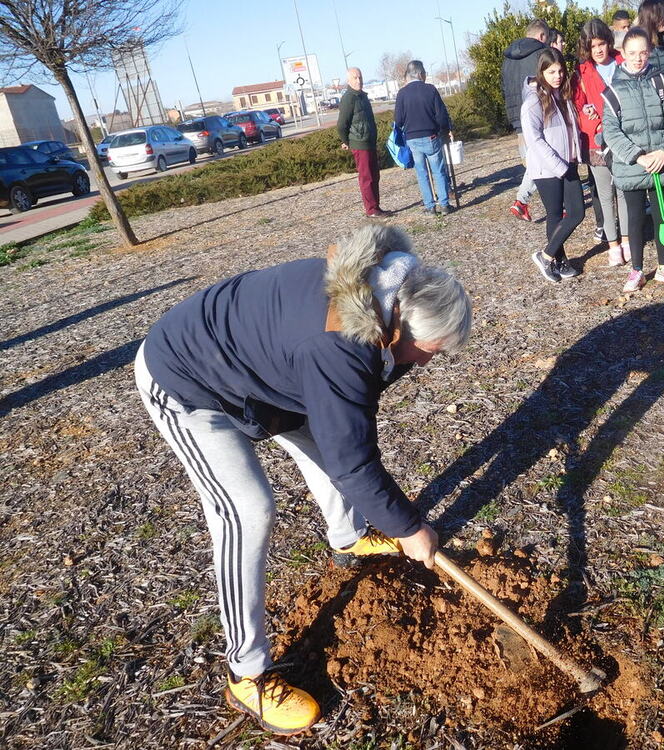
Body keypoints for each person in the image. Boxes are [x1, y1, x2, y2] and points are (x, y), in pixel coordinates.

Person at [134, 224, 472, 735]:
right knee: (247, 511)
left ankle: (349, 537)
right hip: (187, 380)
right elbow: (354, 460)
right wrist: (409, 526)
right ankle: (245, 673)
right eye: (428, 350)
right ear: (400, 321)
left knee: (328, 441)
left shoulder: (377, 294)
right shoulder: (337, 342)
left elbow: (346, 432)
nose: (427, 362)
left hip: (264, 372)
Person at [602, 27, 664, 292]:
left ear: (649, 52)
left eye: (643, 53)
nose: (638, 58)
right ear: (622, 54)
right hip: (633, 166)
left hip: (660, 162)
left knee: (662, 215)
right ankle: (637, 269)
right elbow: (611, 131)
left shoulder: (661, 82)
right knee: (635, 218)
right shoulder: (612, 90)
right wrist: (637, 157)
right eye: (632, 53)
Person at [522, 48, 586, 282]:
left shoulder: (563, 95)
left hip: (568, 162)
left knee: (577, 212)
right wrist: (559, 166)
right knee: (555, 214)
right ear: (541, 72)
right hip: (546, 168)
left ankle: (546, 255)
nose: (557, 76)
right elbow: (534, 140)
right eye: (551, 72)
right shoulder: (533, 102)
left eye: (560, 71)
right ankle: (557, 260)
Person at [572, 18, 631, 266]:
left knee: (625, 192)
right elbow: (577, 105)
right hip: (596, 142)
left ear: (609, 42)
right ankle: (613, 244)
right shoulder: (582, 72)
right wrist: (589, 115)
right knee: (605, 196)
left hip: (625, 137)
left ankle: (628, 240)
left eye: (601, 44)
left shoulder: (623, 63)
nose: (598, 50)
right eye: (592, 45)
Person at [502, 18, 550, 222]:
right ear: (541, 36)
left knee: (534, 159)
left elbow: (504, 89)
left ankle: (523, 201)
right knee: (542, 157)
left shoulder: (508, 59)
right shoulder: (541, 54)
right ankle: (522, 200)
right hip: (540, 112)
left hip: (517, 117)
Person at [394, 60, 454, 215]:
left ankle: (430, 206)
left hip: (412, 139)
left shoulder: (402, 93)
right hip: (431, 136)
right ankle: (444, 204)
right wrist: (445, 129)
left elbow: (398, 120)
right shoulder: (430, 90)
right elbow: (441, 115)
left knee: (422, 173)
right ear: (420, 74)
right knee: (438, 171)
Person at [337, 68, 387, 218]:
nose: (358, 81)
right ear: (349, 81)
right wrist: (348, 141)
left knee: (375, 176)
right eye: (355, 78)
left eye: (360, 77)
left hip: (370, 142)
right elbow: (341, 125)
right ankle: (371, 210)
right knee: (366, 177)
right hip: (359, 143)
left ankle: (376, 207)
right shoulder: (349, 98)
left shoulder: (363, 97)